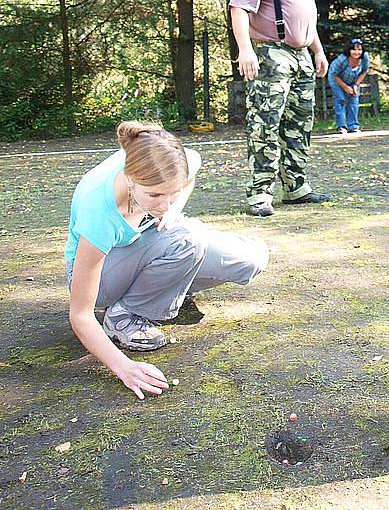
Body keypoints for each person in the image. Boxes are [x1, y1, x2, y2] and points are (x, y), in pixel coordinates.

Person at [65, 121, 269, 399]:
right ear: (129, 178)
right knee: (188, 238)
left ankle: (162, 286)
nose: (163, 204)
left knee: (251, 259)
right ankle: (124, 315)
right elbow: (80, 315)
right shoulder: (98, 210)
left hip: (151, 244)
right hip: (100, 278)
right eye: (155, 195)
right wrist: (124, 367)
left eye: (171, 193)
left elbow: (190, 172)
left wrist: (175, 208)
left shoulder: (173, 162)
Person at [229, 0, 330, 217]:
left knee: (300, 124)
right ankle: (260, 193)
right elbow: (239, 8)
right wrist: (245, 49)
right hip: (272, 54)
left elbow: (307, 19)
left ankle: (295, 185)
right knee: (266, 123)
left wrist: (318, 51)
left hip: (302, 56)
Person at [327, 38, 370, 134]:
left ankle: (353, 126)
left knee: (354, 99)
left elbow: (364, 71)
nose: (357, 52)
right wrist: (345, 87)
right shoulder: (342, 59)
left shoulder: (365, 58)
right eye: (354, 49)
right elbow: (335, 75)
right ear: (349, 50)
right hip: (336, 80)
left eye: (359, 49)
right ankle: (341, 126)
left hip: (353, 80)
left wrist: (355, 85)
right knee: (340, 100)